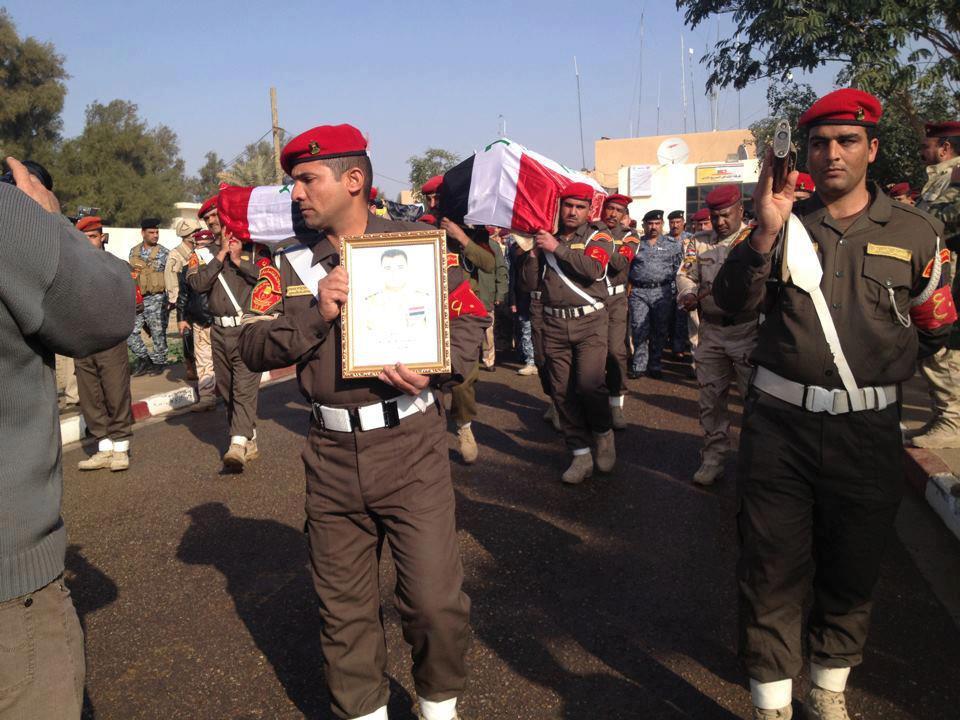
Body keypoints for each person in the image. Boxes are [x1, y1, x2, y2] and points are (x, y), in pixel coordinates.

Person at [713, 89, 953, 720]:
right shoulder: (780, 220)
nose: (831, 154)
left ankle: (828, 690)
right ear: (804, 154)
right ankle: (770, 704)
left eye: (847, 140)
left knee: (852, 565)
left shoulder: (917, 232)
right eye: (818, 142)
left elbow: (936, 328)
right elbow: (729, 305)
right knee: (769, 565)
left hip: (868, 426)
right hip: (779, 427)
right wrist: (764, 232)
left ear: (872, 148)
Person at [239, 124, 476, 720]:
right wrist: (317, 314)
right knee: (342, 606)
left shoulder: (422, 246)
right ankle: (363, 710)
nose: (295, 192)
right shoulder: (289, 265)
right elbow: (252, 346)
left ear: (353, 181)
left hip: (411, 444)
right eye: (293, 181)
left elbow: (470, 323)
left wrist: (437, 371)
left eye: (306, 179)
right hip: (330, 453)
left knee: (433, 601)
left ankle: (437, 704)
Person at [0, 157, 135, 719]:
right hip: (11, 578)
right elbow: (106, 308)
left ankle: (116, 444)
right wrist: (46, 222)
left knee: (112, 389)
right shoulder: (12, 217)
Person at [519, 182, 620, 484]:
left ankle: (603, 433)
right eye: (568, 205)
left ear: (590, 211)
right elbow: (528, 284)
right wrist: (535, 253)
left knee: (590, 385)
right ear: (559, 207)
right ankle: (579, 454)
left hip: (590, 323)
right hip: (553, 324)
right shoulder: (545, 238)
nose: (573, 212)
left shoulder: (599, 236)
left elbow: (593, 269)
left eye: (580, 207)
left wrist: (556, 248)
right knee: (560, 391)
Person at [676, 185, 756, 486]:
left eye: (725, 215)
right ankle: (713, 458)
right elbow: (686, 274)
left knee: (754, 401)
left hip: (748, 332)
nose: (720, 222)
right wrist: (688, 292)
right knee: (711, 399)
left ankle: (754, 461)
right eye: (715, 216)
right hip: (710, 331)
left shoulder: (755, 239)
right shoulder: (698, 243)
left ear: (739, 210)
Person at [186, 211, 269, 472]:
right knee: (229, 389)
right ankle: (249, 437)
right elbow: (197, 284)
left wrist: (238, 259)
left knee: (244, 386)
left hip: (247, 329)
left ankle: (236, 444)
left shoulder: (256, 250)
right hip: (218, 332)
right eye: (209, 219)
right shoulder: (202, 254)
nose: (213, 222)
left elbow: (270, 281)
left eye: (217, 217)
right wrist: (220, 255)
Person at [911, 120, 960, 448]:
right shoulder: (939, 178)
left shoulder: (955, 178)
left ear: (944, 147)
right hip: (938, 275)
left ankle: (952, 422)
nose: (922, 150)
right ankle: (945, 416)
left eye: (927, 144)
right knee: (936, 347)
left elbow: (945, 227)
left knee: (942, 347)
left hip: (950, 280)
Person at [73, 216, 135, 472]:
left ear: (102, 238)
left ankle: (120, 447)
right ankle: (103, 446)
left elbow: (130, 302)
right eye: (85, 237)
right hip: (82, 340)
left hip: (110, 339)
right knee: (90, 395)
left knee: (115, 391)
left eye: (94, 236)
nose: (90, 242)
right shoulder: (71, 270)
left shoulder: (116, 266)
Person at [438, 217, 496, 464]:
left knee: (463, 378)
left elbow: (489, 264)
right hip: (428, 313)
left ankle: (464, 428)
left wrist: (462, 238)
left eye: (437, 197)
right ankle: (432, 432)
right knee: (429, 377)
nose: (433, 201)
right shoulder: (423, 227)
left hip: (463, 314)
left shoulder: (476, 236)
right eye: (429, 197)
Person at [627, 209, 682, 379]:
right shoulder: (636, 244)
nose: (653, 227)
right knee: (639, 327)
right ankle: (639, 365)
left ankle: (656, 364)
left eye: (657, 224)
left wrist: (675, 293)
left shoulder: (673, 245)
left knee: (660, 329)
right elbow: (628, 267)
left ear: (662, 225)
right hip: (639, 292)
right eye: (650, 223)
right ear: (644, 225)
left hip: (662, 292)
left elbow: (679, 269)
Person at [600, 193, 639, 429]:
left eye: (618, 210)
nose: (612, 214)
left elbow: (618, 263)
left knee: (615, 352)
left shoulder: (630, 237)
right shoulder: (590, 230)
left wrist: (600, 243)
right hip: (590, 298)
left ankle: (616, 405)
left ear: (624, 215)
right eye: (609, 208)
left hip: (615, 300)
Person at [127, 217, 170, 376]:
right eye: (151, 232)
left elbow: (171, 277)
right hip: (138, 299)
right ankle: (145, 360)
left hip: (157, 299)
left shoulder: (164, 253)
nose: (155, 235)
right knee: (130, 333)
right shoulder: (134, 251)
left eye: (157, 232)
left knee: (158, 333)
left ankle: (159, 363)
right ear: (143, 233)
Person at [166, 218, 202, 381]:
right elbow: (171, 276)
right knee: (188, 334)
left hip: (200, 299)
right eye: (195, 232)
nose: (198, 234)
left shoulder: (200, 250)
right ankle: (190, 366)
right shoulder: (176, 254)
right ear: (186, 234)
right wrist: (174, 298)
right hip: (185, 299)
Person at [478, 231, 509, 372]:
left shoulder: (493, 246)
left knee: (487, 331)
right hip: (467, 294)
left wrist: (500, 293)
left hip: (486, 294)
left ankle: (489, 359)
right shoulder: (461, 242)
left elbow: (501, 269)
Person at [667, 209, 694, 362]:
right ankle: (670, 344)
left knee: (682, 318)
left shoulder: (691, 239)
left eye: (678, 222)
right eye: (672, 222)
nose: (675, 225)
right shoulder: (664, 240)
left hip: (684, 286)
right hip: (667, 287)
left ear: (683, 223)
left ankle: (679, 349)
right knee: (668, 318)